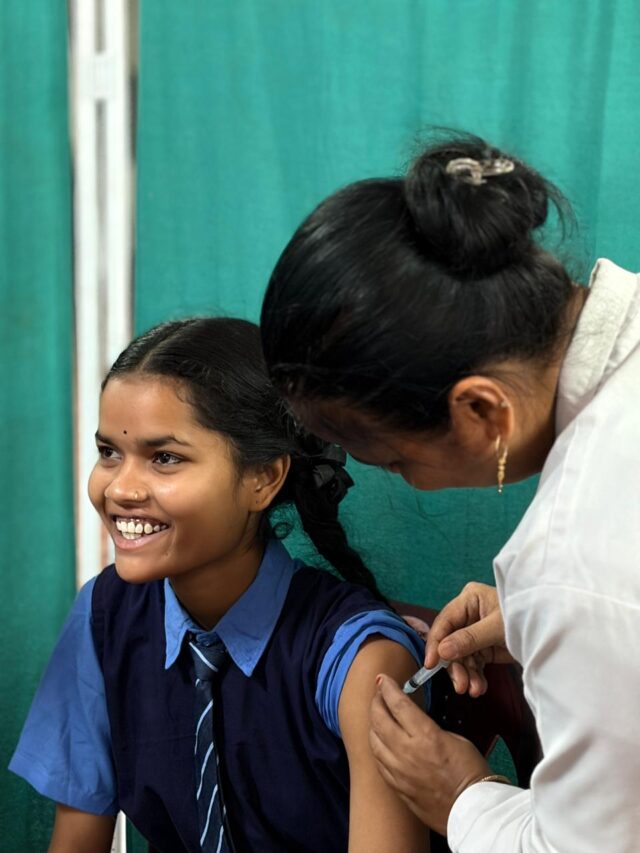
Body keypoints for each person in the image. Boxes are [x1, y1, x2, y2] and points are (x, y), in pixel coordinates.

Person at [259, 133, 640, 852]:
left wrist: (461, 796)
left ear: (482, 412)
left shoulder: (574, 562)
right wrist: (551, 621)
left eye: (397, 461)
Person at [9, 317, 429, 853]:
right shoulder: (103, 616)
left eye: (165, 458)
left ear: (262, 478)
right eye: (110, 452)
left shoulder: (362, 661)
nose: (120, 488)